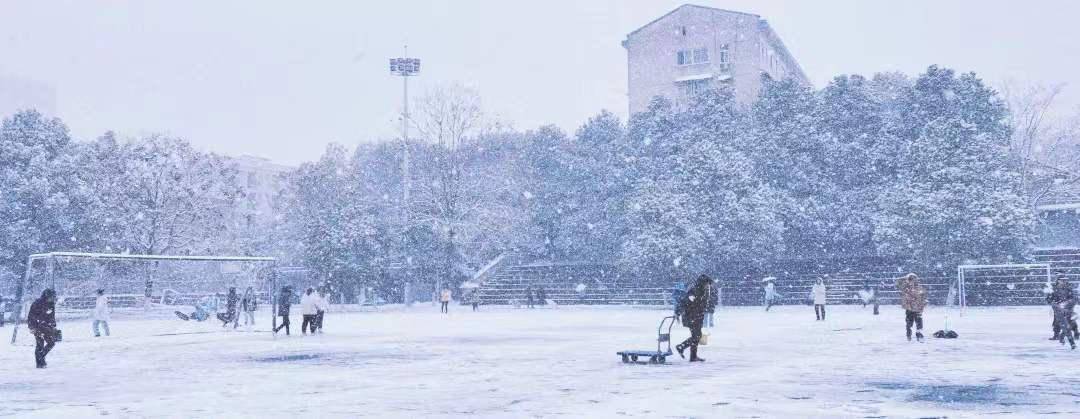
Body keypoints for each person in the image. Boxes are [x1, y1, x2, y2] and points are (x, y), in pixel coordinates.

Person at [675, 275, 713, 362]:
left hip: (696, 316)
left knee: (696, 336)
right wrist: (678, 312)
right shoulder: (695, 290)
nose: (708, 286)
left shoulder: (701, 290)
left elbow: (700, 303)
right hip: (692, 316)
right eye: (707, 284)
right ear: (704, 282)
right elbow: (684, 301)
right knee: (697, 336)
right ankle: (681, 347)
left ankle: (693, 356)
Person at [28, 289, 59, 369]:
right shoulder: (37, 303)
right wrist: (32, 327)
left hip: (47, 326)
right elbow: (31, 316)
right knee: (40, 344)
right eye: (52, 296)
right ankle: (40, 363)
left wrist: (53, 326)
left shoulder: (51, 304)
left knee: (51, 343)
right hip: (37, 326)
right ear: (47, 296)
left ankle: (41, 357)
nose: (53, 298)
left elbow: (52, 316)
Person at [1047, 276, 1078, 349]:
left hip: (1068, 310)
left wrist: (1068, 303)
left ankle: (1061, 336)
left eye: (1065, 280)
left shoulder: (1068, 289)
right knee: (1065, 326)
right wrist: (1057, 305)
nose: (1064, 282)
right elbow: (1049, 300)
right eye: (1062, 280)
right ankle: (1072, 343)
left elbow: (1074, 298)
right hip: (1059, 311)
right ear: (1058, 281)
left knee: (1070, 324)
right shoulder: (1053, 290)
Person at [896, 273, 928, 342]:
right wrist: (905, 278)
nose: (912, 281)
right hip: (909, 309)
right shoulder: (905, 287)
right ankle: (909, 336)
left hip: (917, 309)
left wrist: (923, 304)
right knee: (909, 324)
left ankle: (919, 335)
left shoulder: (919, 287)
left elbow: (924, 297)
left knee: (919, 324)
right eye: (911, 279)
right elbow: (897, 283)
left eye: (914, 279)